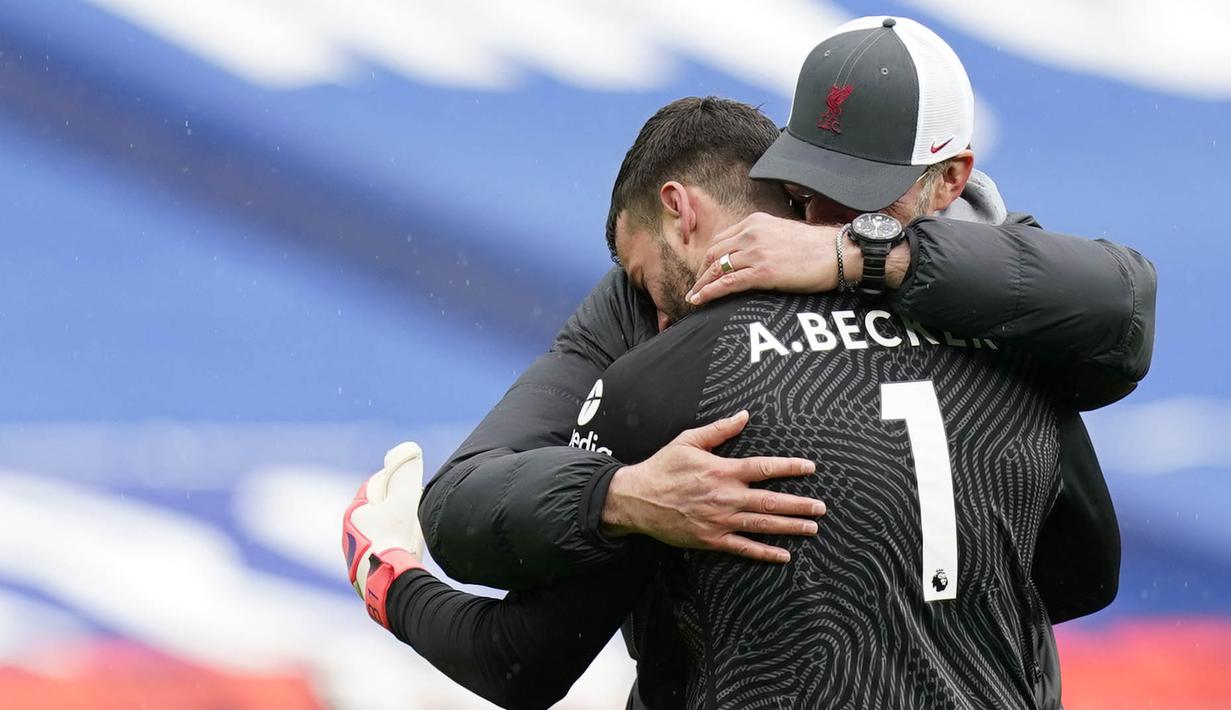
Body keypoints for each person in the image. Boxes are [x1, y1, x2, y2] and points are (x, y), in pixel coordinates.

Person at [344, 89, 1118, 708]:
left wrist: (393, 580)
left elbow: (517, 659)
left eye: (635, 270)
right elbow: (1087, 574)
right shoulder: (1012, 340)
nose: (643, 310)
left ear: (679, 210)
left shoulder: (670, 385)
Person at [420, 15, 1149, 624]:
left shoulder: (1013, 285)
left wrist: (860, 257)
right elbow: (464, 512)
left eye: (862, 195)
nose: (820, 216)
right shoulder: (664, 289)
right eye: (810, 183)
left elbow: (1125, 304)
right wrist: (619, 497)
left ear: (949, 180)